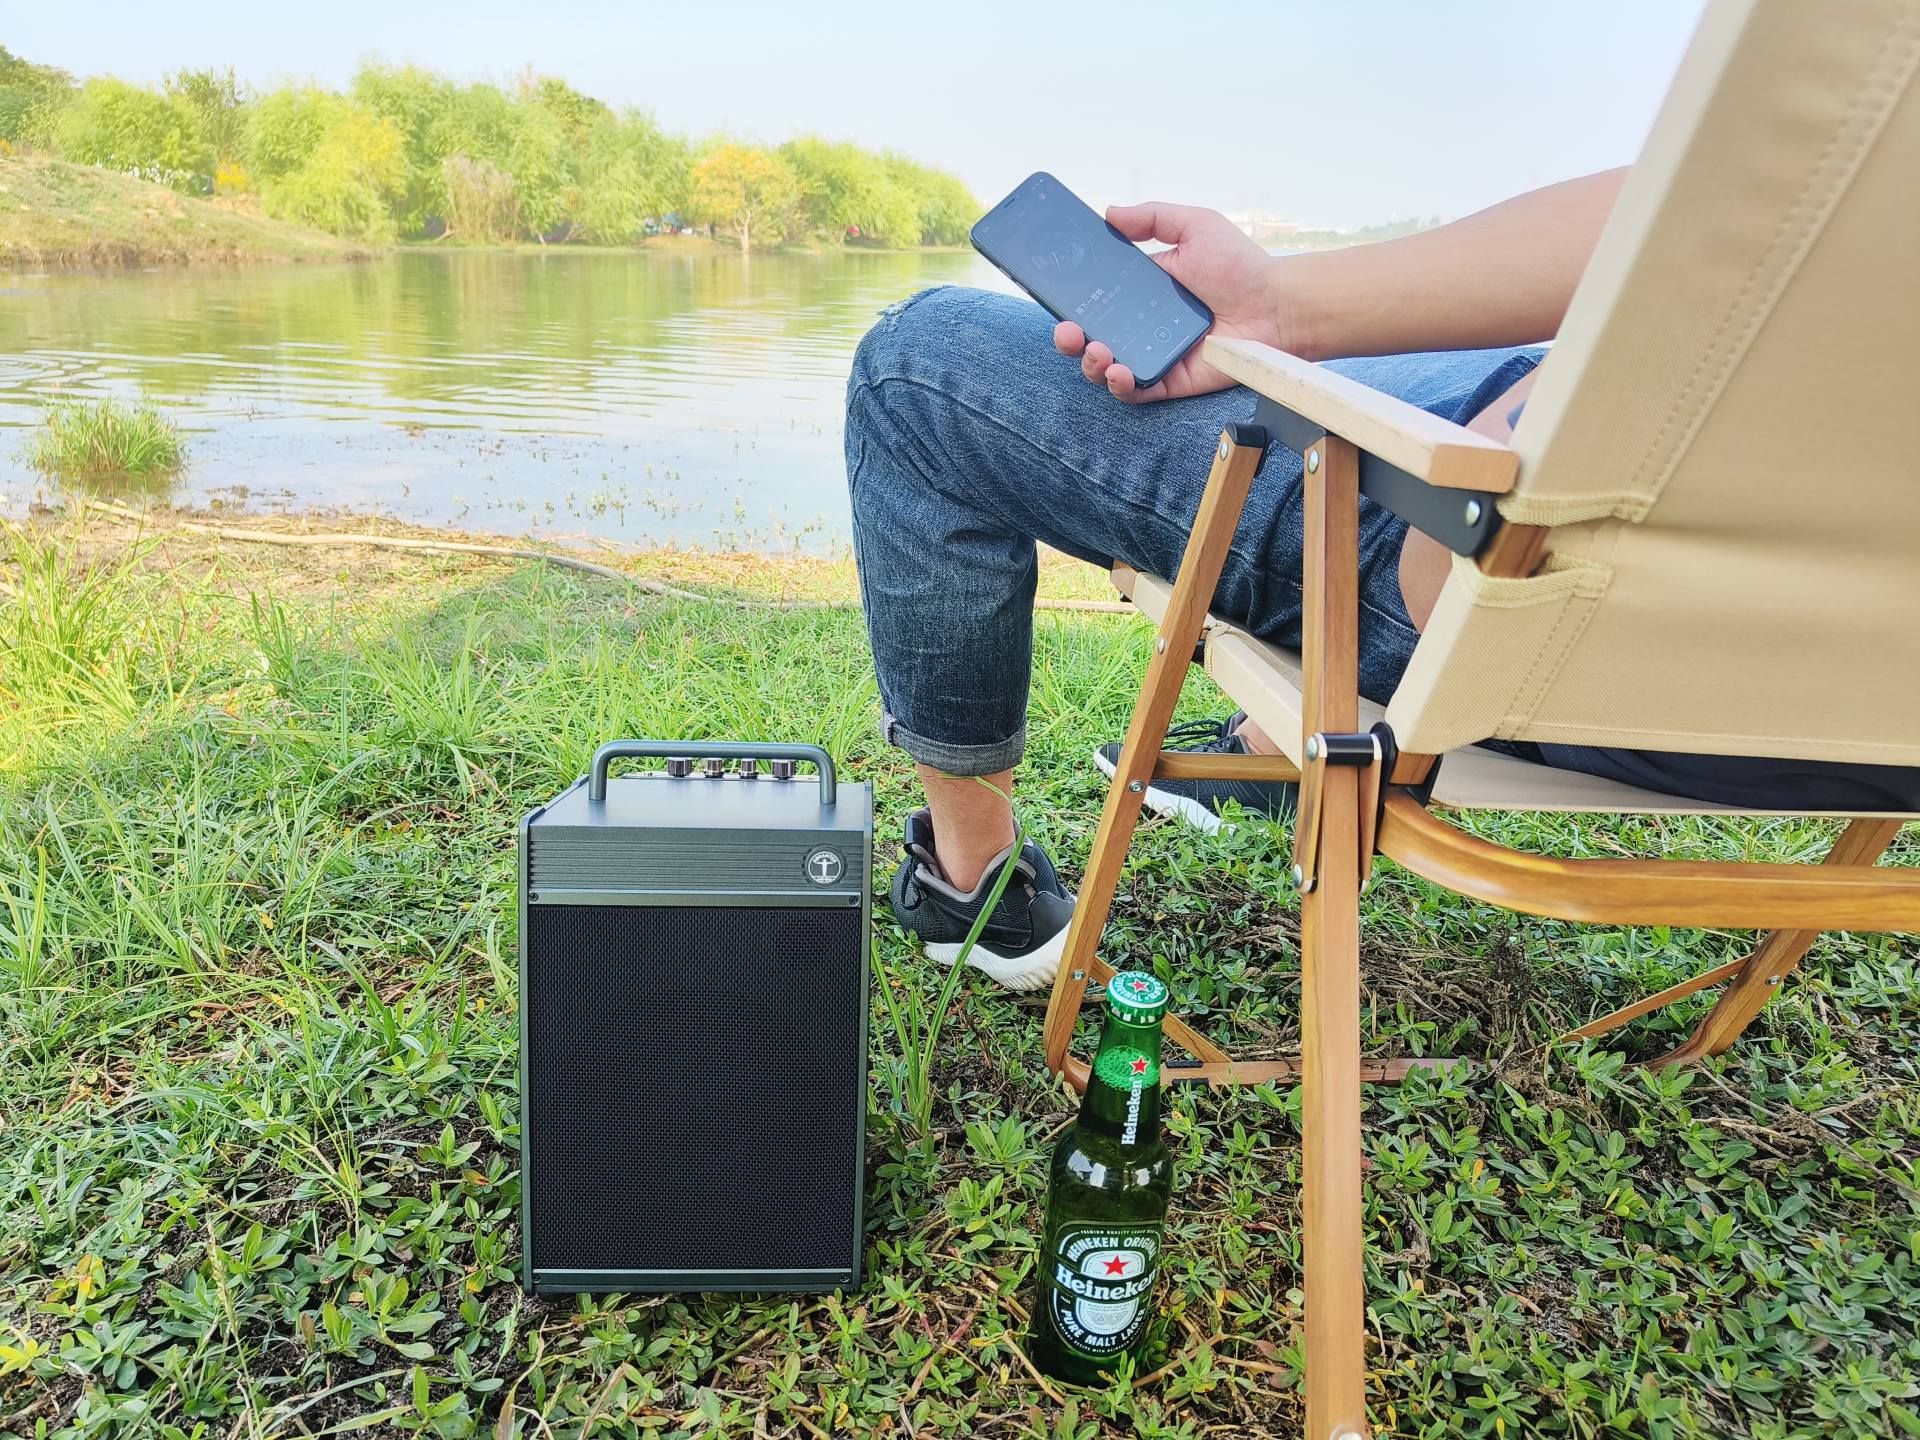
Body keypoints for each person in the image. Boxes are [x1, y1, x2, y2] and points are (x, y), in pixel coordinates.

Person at [844, 171, 1920, 990]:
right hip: (1856, 715)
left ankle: (970, 878)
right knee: (1385, 392)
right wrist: (1282, 310)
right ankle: (1265, 757)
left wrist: (1291, 319)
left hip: (1529, 576)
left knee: (917, 367)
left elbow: (1737, 207)